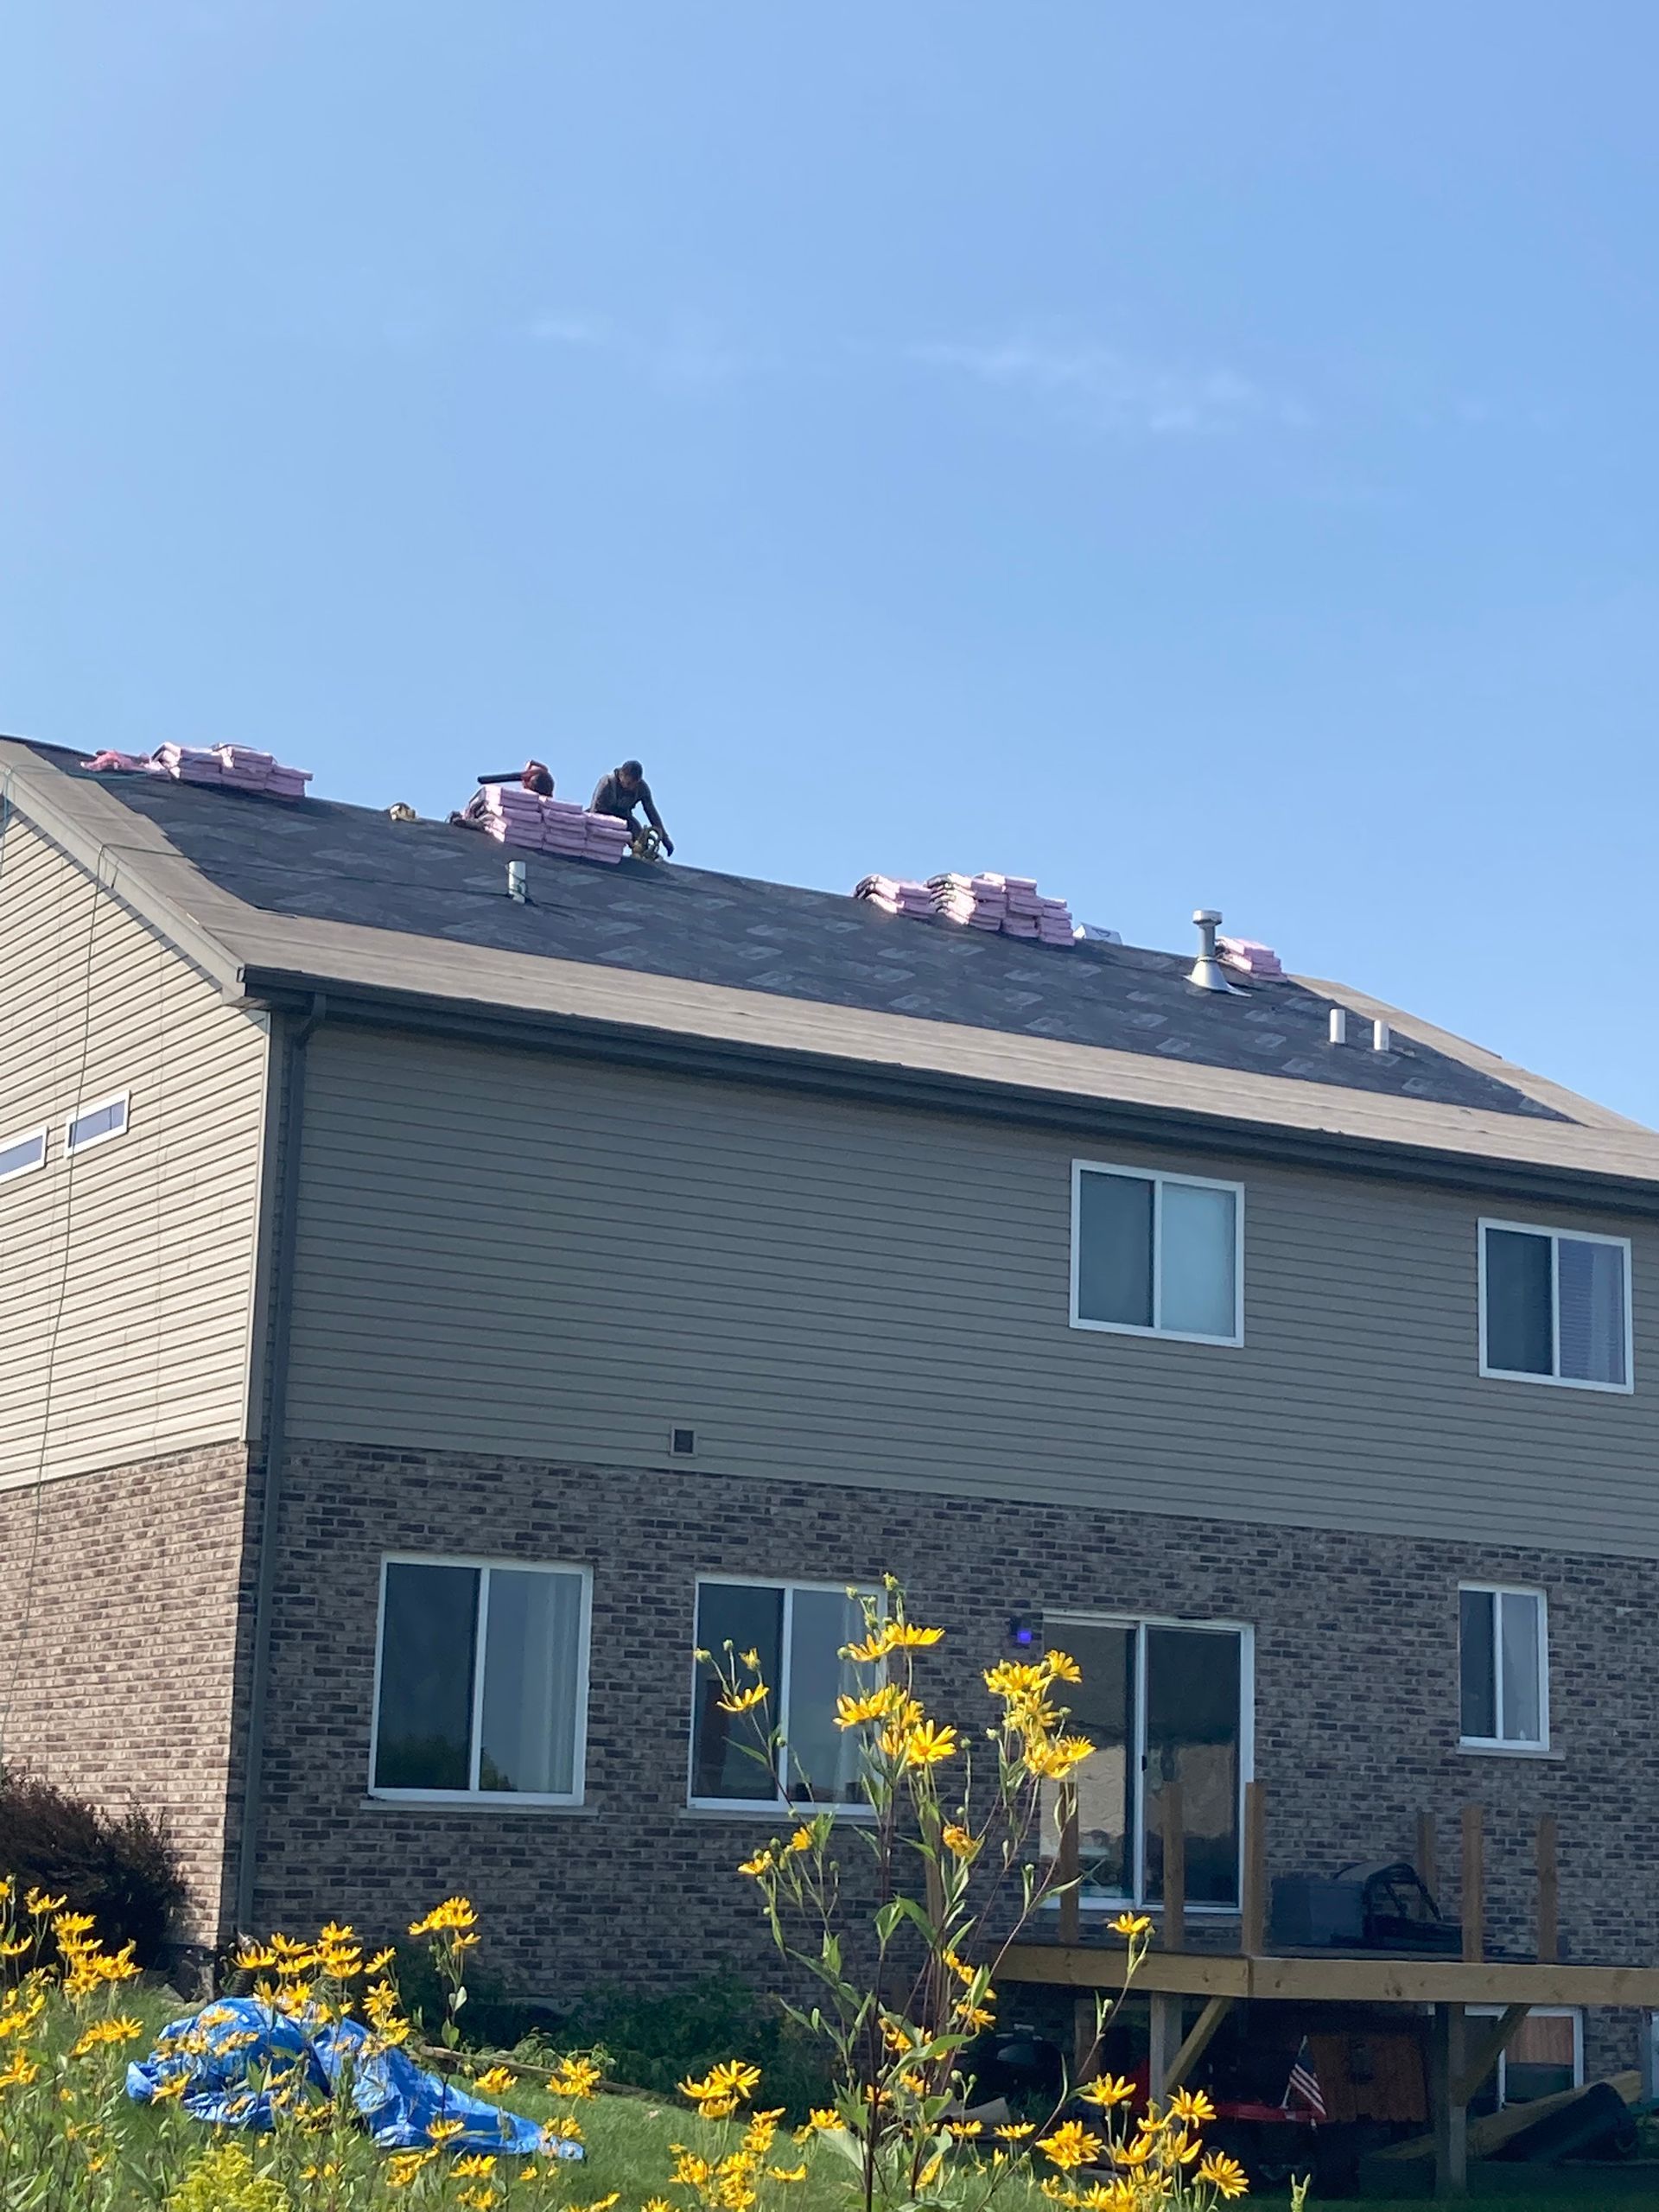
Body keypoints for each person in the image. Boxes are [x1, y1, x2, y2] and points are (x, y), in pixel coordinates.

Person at [590, 760, 673, 855]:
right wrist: (619, 833)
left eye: (635, 784)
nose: (631, 787)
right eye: (628, 783)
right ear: (621, 775)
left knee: (641, 839)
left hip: (625, 817)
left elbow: (652, 813)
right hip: (602, 817)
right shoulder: (607, 782)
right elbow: (595, 813)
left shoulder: (642, 788)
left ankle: (641, 858)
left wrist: (665, 839)